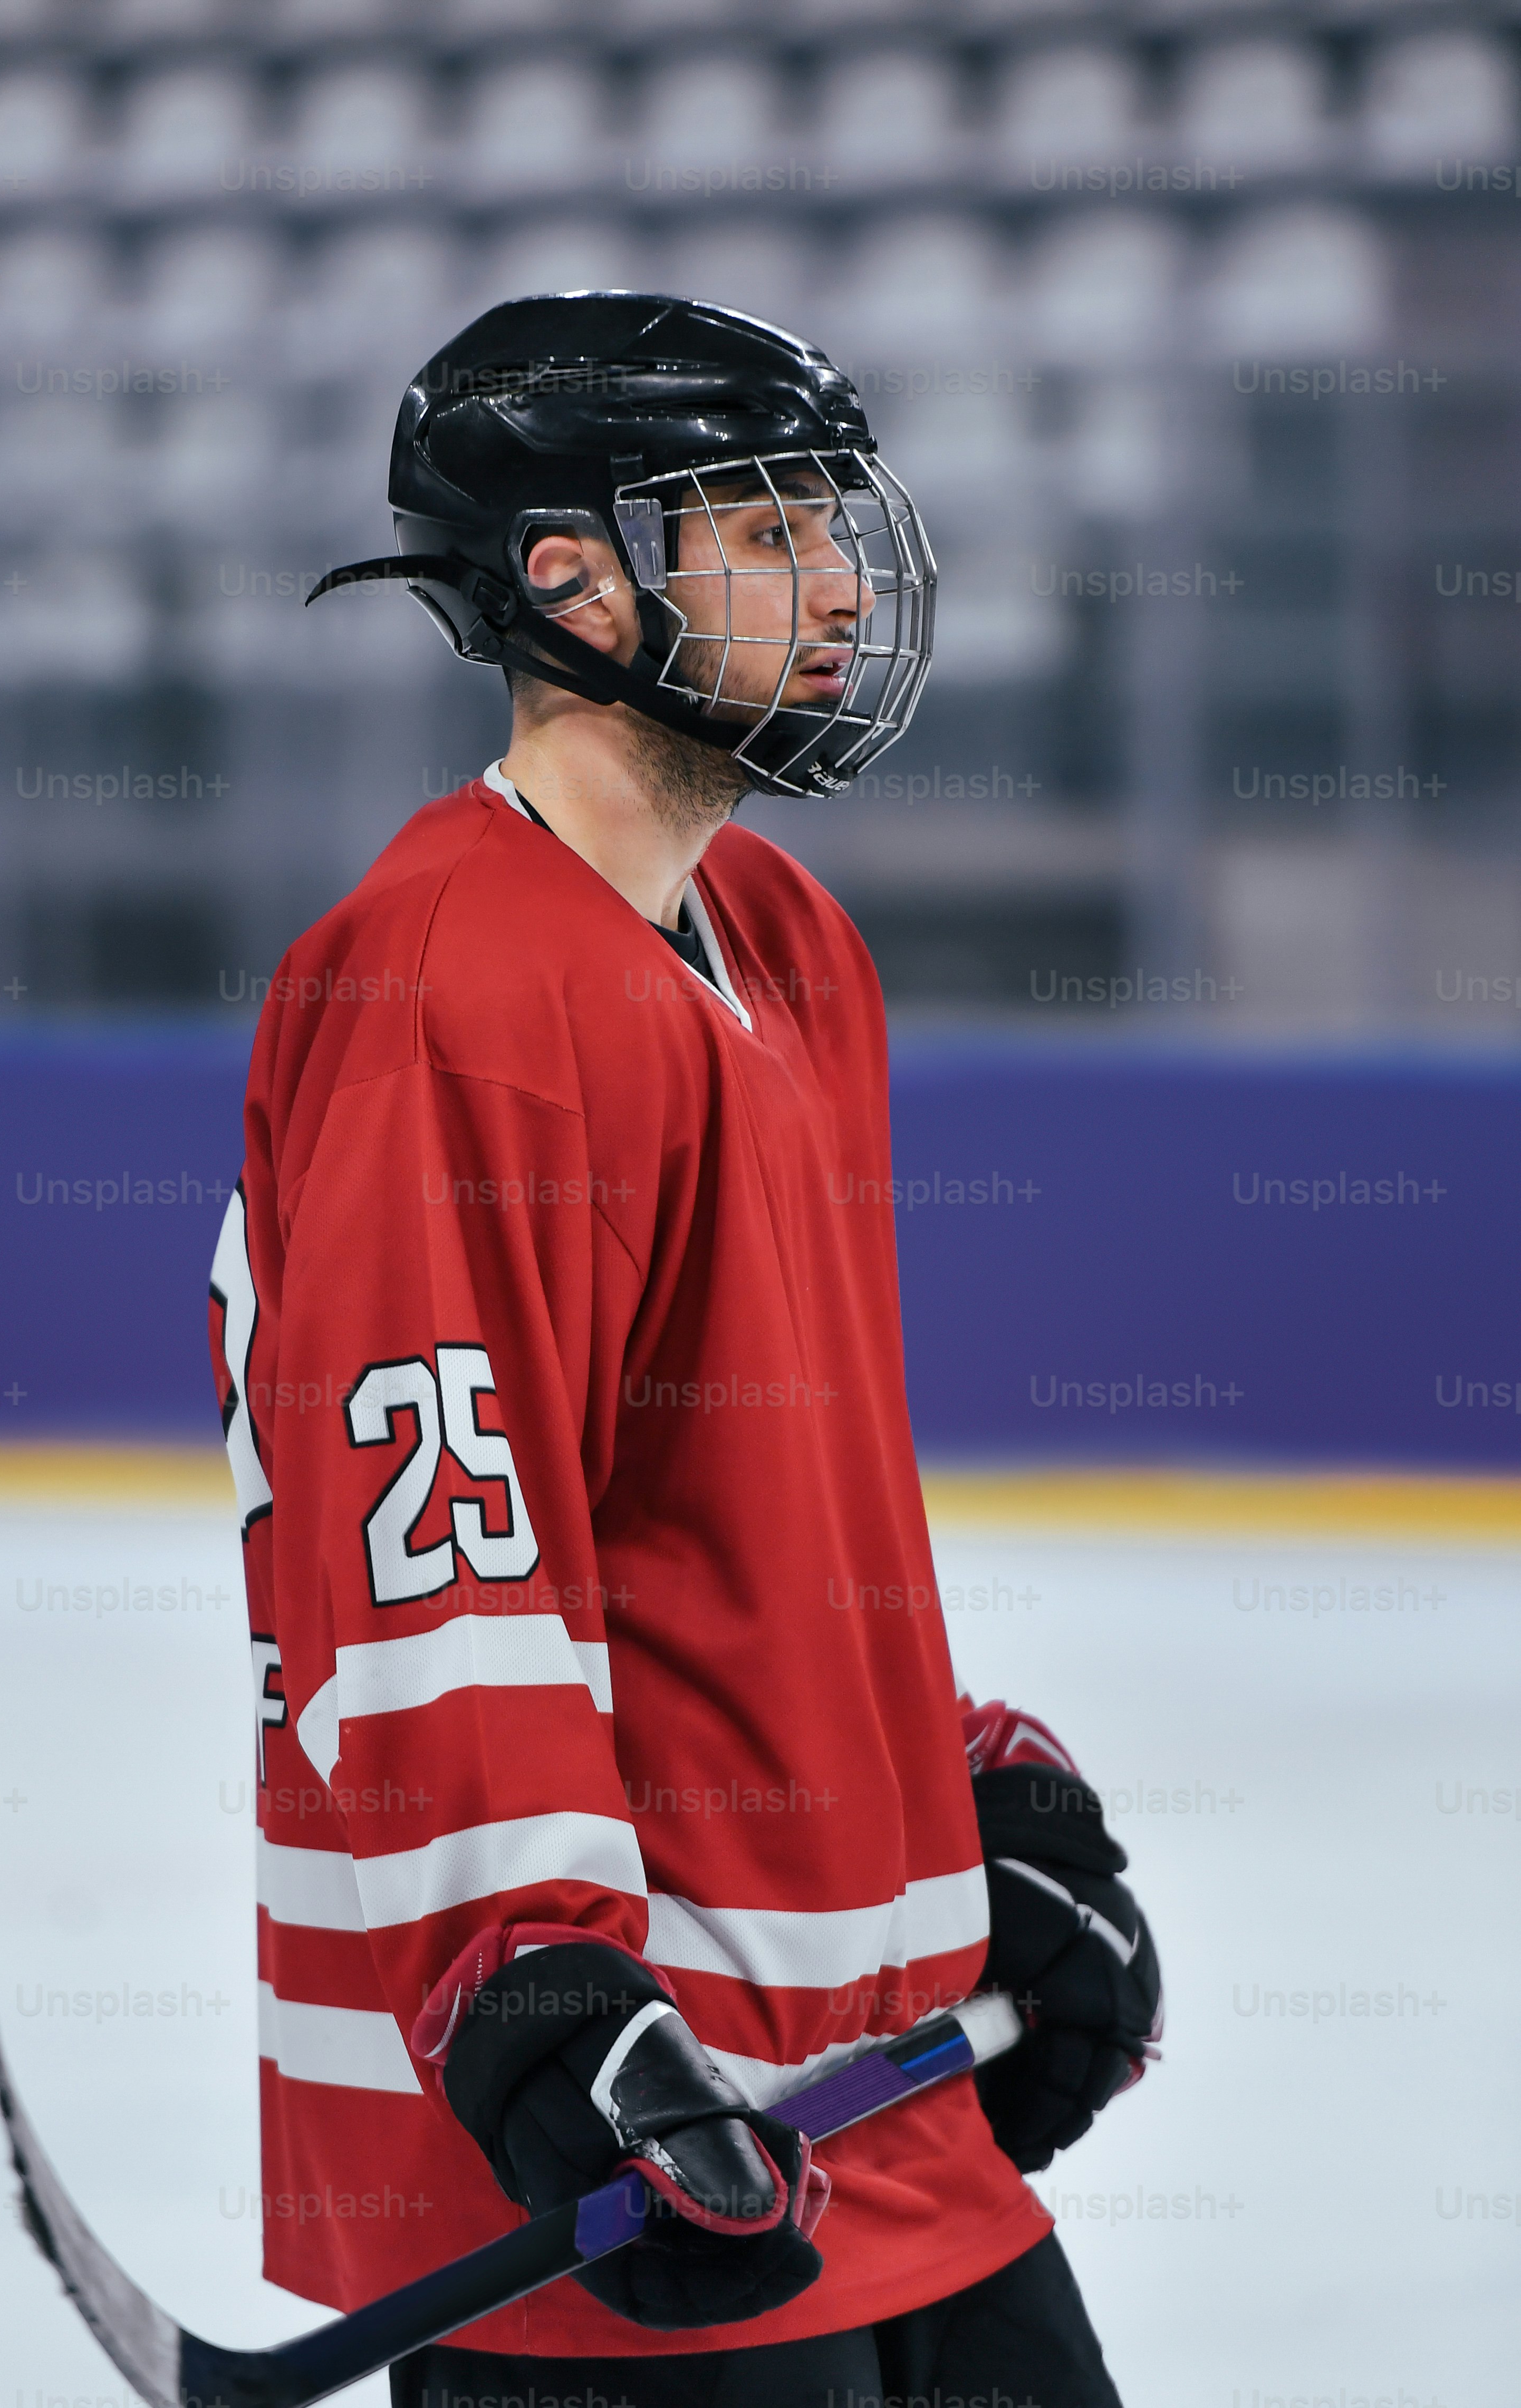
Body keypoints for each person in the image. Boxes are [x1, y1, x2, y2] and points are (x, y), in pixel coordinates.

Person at [208, 293, 1160, 2408]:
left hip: (865, 2096)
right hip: (630, 2157)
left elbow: (759, 1511)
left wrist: (964, 1786)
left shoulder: (789, 943)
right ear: (569, 582)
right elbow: (436, 1553)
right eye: (761, 527)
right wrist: (537, 1993)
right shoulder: (448, 983)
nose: (836, 582)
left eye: (833, 517)